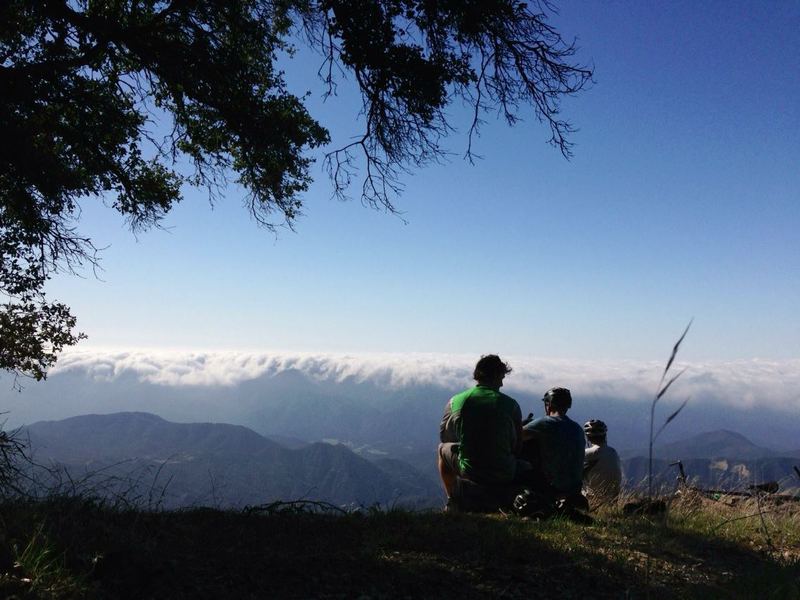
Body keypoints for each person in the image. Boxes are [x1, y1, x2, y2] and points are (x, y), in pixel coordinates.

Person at [438, 355, 525, 504]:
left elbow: (445, 437)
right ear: (496, 376)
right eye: (502, 378)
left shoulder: (456, 401)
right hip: (505, 472)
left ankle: (452, 500)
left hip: (470, 471)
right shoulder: (511, 405)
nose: (502, 384)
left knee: (442, 449)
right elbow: (517, 446)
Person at [520, 387, 585, 499]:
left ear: (548, 405)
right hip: (575, 490)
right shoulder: (577, 428)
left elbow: (514, 437)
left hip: (552, 489)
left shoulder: (545, 423)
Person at [583, 419, 622, 505]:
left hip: (592, 501)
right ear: (605, 435)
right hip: (612, 501)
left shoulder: (587, 454)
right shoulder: (613, 452)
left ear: (588, 438)